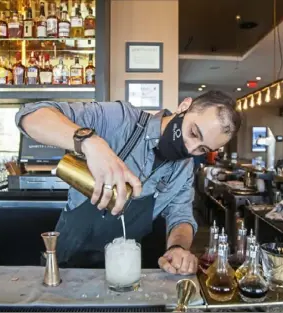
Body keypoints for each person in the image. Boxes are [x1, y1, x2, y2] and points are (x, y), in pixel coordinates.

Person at [15, 90, 241, 275]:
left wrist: (178, 247)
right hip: (67, 263)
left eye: (203, 149)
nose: (191, 149)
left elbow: (180, 216)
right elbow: (29, 115)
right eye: (193, 132)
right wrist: (90, 142)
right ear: (184, 106)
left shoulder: (183, 169)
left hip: (125, 270)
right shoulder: (120, 120)